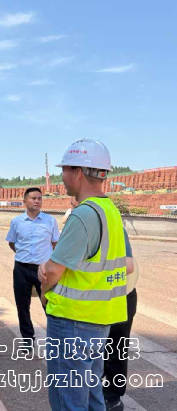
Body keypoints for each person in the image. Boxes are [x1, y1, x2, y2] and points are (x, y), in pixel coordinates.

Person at [39, 139, 128, 411]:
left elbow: (53, 270)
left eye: (64, 170)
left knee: (68, 400)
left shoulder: (82, 216)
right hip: (98, 320)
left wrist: (44, 294)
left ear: (78, 172)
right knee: (91, 395)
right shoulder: (110, 211)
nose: (62, 177)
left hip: (72, 321)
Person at [6, 187, 59, 347]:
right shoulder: (17, 222)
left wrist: (47, 263)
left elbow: (55, 244)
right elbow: (12, 242)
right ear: (25, 201)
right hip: (21, 269)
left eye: (39, 198)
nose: (37, 201)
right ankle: (28, 340)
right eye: (33, 198)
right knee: (22, 306)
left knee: (49, 304)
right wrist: (23, 255)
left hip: (43, 270)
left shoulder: (50, 221)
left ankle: (55, 339)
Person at [103, 229, 138, 411]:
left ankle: (112, 396)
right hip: (97, 297)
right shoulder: (82, 222)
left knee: (116, 348)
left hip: (121, 295)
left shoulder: (114, 227)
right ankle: (96, 391)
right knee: (96, 349)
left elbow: (128, 265)